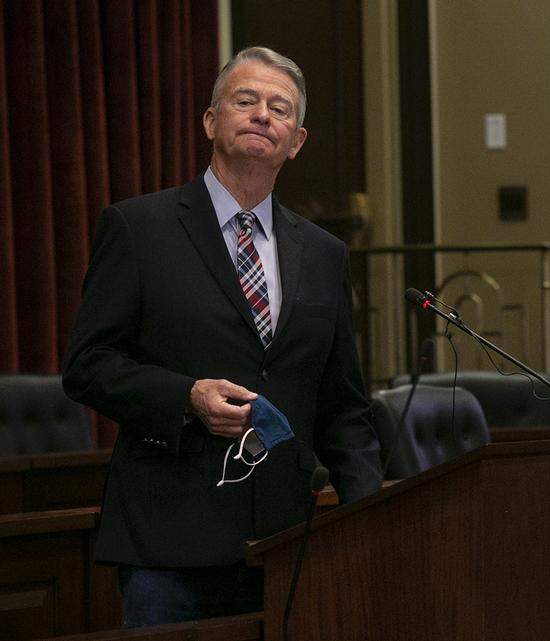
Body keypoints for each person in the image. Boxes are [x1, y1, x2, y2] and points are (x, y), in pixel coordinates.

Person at [62, 47, 383, 627]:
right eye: (246, 100)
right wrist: (186, 396)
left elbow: (343, 407)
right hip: (170, 544)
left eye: (279, 108)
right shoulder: (139, 228)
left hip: (286, 546)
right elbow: (87, 363)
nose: (263, 114)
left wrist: (373, 527)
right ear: (212, 121)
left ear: (297, 140)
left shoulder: (324, 254)